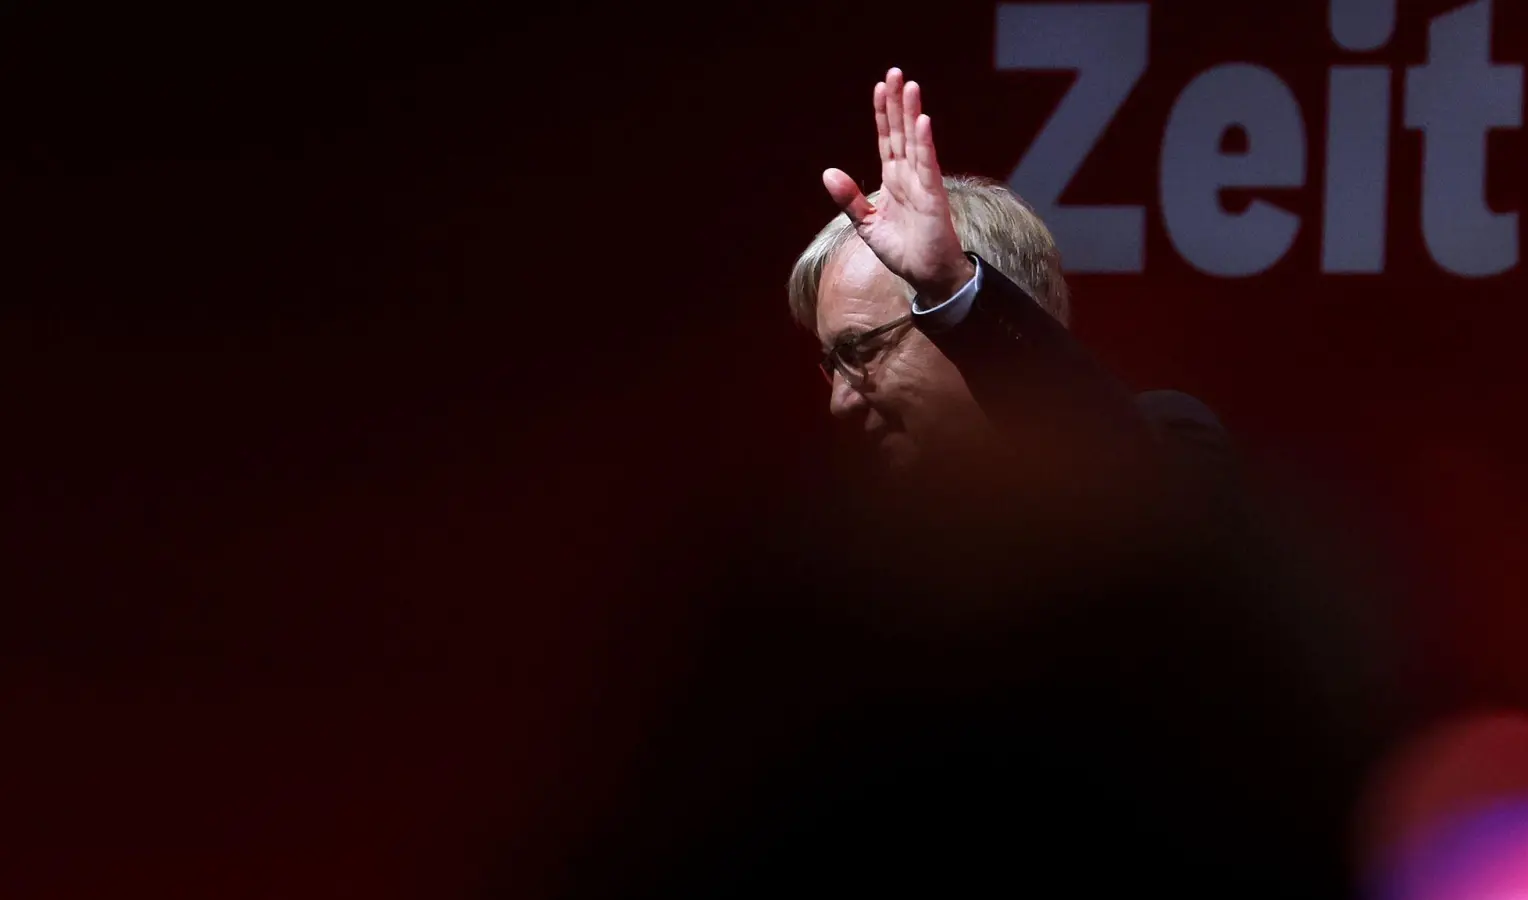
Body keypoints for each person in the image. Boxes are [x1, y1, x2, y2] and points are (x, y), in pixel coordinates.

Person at [528, 68, 1398, 900]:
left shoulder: (1164, 454)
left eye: (866, 354)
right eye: (829, 365)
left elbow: (1138, 492)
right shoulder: (828, 586)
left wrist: (953, 292)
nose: (841, 407)